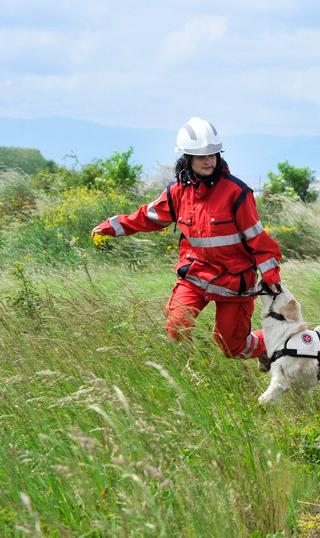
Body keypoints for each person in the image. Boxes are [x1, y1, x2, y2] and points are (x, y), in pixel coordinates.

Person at [91, 117, 283, 365]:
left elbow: (258, 240)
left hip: (234, 281)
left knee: (231, 347)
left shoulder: (237, 192)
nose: (208, 161)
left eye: (213, 154)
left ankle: (274, 345)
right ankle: (190, 373)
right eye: (201, 156)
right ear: (187, 158)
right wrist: (111, 226)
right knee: (177, 326)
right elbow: (148, 217)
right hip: (196, 275)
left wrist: (272, 278)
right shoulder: (177, 191)